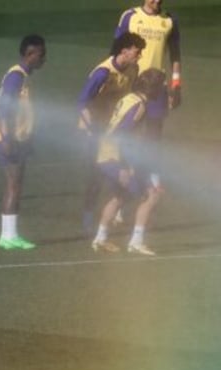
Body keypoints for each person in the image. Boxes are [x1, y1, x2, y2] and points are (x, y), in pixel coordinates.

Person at [91, 68, 167, 255]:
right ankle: (136, 242)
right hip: (116, 156)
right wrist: (125, 167)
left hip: (105, 151)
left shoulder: (130, 98)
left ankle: (100, 239)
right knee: (151, 194)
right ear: (153, 88)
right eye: (161, 87)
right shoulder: (140, 105)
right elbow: (122, 135)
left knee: (119, 195)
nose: (162, 91)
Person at [78, 32, 146, 235]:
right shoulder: (102, 73)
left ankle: (111, 216)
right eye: (137, 51)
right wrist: (92, 130)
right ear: (124, 51)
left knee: (122, 170)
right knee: (97, 174)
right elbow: (82, 102)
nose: (140, 55)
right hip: (95, 130)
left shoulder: (133, 69)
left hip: (116, 130)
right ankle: (88, 217)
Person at [113, 0, 182, 186]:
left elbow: (175, 55)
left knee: (154, 134)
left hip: (157, 86)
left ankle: (153, 176)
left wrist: (176, 84)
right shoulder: (130, 16)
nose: (157, 1)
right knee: (129, 132)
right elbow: (117, 50)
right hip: (132, 85)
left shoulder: (169, 20)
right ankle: (126, 175)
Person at [0, 34, 47, 250]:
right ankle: (8, 235)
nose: (44, 59)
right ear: (30, 54)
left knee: (15, 185)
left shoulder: (24, 75)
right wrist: (7, 137)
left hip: (19, 139)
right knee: (13, 185)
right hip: (10, 139)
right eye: (42, 54)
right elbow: (4, 108)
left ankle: (9, 234)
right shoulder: (16, 76)